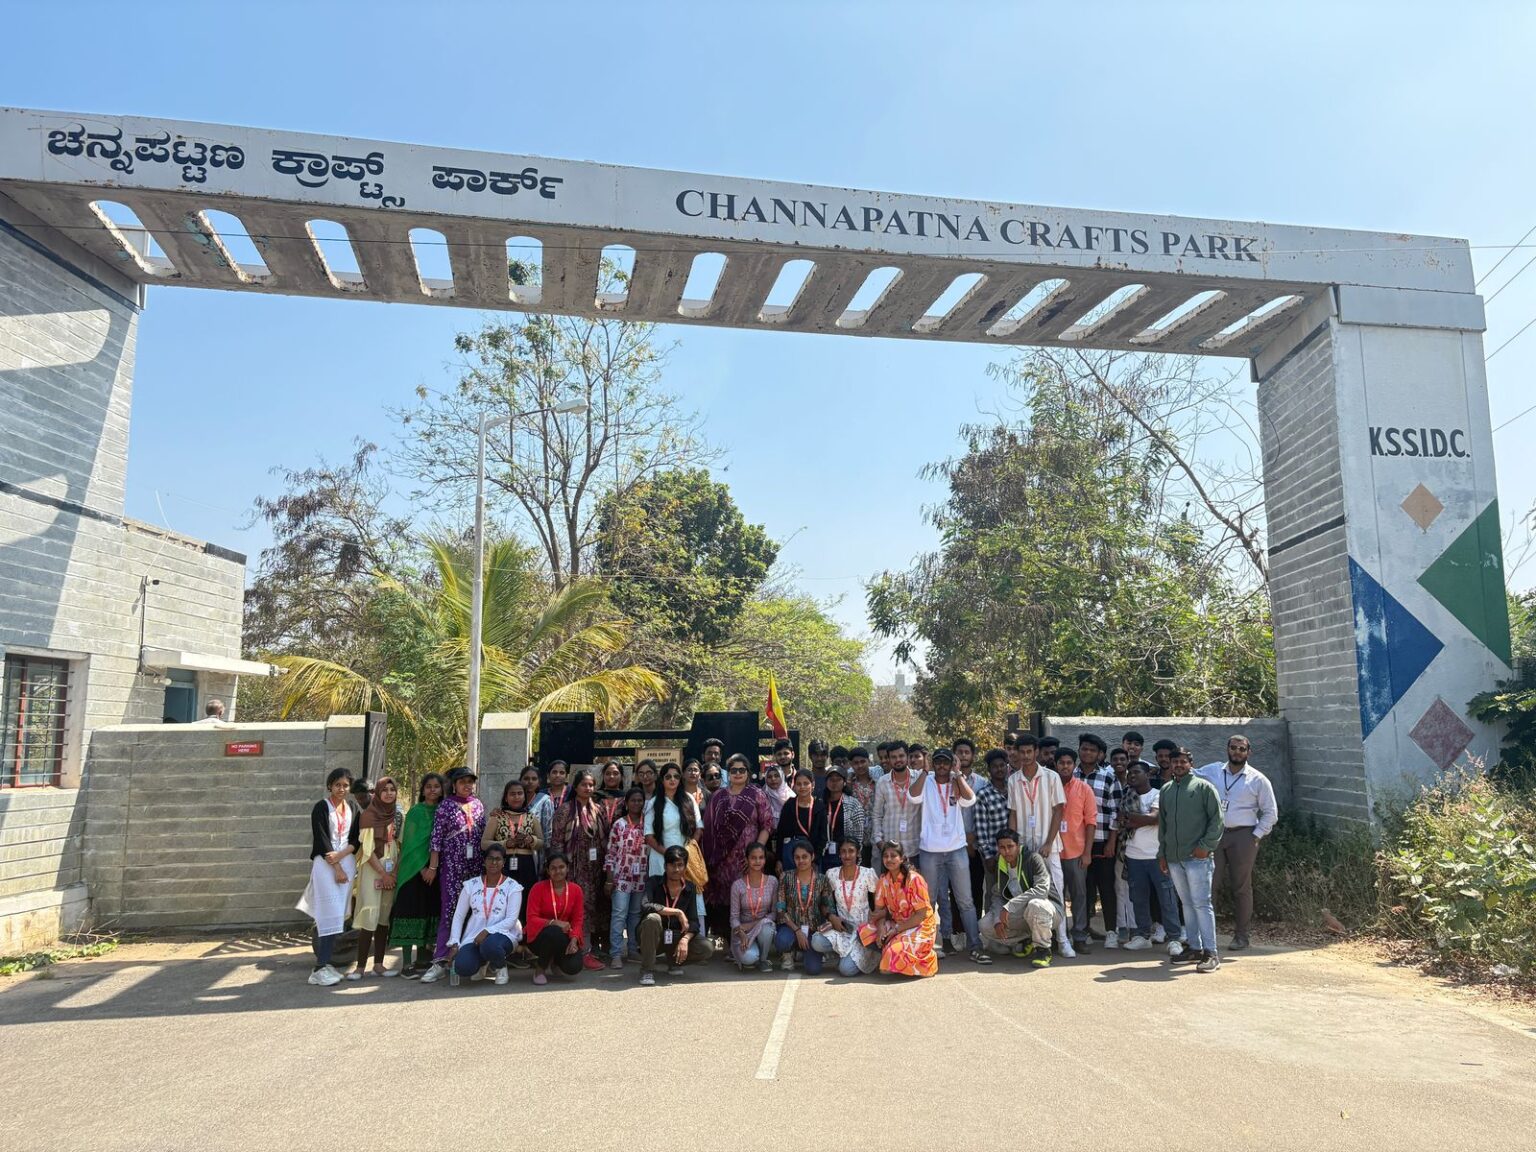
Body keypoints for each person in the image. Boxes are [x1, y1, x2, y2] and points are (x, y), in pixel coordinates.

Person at [1197, 734, 1279, 951]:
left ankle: (1241, 936)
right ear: (1227, 749)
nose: (1237, 752)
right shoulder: (1213, 770)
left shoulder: (1258, 779)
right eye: (1233, 748)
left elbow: (1270, 812)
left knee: (1241, 887)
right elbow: (1190, 773)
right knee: (1209, 884)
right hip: (1215, 834)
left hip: (1243, 836)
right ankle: (1207, 936)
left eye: (1242, 749)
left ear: (1249, 752)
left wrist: (1256, 835)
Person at [908, 748, 989, 964]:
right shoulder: (926, 781)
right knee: (929, 901)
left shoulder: (956, 781)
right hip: (930, 851)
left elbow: (970, 800)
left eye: (946, 762)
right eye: (938, 762)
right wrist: (924, 771)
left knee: (966, 901)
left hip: (956, 849)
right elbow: (913, 797)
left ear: (952, 763)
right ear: (933, 763)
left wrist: (958, 774)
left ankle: (975, 946)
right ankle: (927, 947)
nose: (942, 766)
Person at [1159, 747, 1224, 972]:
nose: (1178, 765)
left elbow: (1217, 820)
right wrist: (1162, 854)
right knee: (1187, 904)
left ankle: (1211, 953)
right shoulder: (1166, 790)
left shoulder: (1204, 787)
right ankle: (1195, 948)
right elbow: (1163, 825)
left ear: (1191, 763)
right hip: (1174, 858)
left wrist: (1205, 847)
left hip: (1197, 858)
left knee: (1202, 904)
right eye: (1174, 761)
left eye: (1182, 761)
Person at [420, 766, 486, 984]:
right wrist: (433, 867)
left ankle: (471, 959)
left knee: (476, 910)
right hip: (452, 867)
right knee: (450, 911)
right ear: (454, 785)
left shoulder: (478, 805)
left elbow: (484, 834)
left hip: (475, 867)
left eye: (470, 781)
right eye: (462, 782)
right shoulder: (446, 806)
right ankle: (440, 960)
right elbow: (436, 839)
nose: (467, 785)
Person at [298, 767, 361, 986]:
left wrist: (342, 857)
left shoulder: (353, 807)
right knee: (328, 913)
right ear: (329, 786)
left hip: (346, 861)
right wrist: (337, 867)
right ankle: (319, 968)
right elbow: (321, 839)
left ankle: (325, 964)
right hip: (326, 866)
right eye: (337, 785)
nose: (341, 789)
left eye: (345, 785)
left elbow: (356, 838)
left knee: (339, 916)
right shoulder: (321, 807)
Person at [702, 753, 773, 941]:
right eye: (734, 770)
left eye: (742, 770)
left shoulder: (756, 794)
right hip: (722, 860)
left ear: (748, 772)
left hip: (748, 859)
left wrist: (757, 853)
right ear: (729, 773)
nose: (738, 773)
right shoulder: (718, 796)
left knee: (746, 897)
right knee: (725, 900)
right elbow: (709, 827)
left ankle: (750, 939)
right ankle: (729, 941)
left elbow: (767, 825)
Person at [549, 767, 610, 971]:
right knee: (571, 908)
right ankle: (565, 950)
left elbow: (605, 839)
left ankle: (585, 950)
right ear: (575, 787)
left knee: (590, 909)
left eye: (591, 784)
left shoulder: (599, 809)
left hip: (593, 870)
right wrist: (559, 869)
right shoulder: (565, 810)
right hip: (571, 868)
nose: (588, 788)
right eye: (584, 784)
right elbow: (556, 841)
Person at [444, 842, 524, 986]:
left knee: (490, 945)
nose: (494, 862)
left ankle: (500, 967)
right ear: (484, 861)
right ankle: (482, 963)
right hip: (474, 937)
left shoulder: (512, 887)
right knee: (462, 967)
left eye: (498, 859)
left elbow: (511, 919)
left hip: (504, 935)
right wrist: (455, 943)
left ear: (504, 862)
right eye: (490, 858)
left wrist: (487, 931)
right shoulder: (471, 885)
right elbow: (459, 916)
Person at [979, 829, 1062, 968]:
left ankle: (1043, 950)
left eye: (1010, 846)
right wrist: (997, 920)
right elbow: (998, 896)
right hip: (1024, 913)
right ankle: (1029, 940)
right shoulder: (1000, 863)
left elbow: (1041, 890)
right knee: (985, 925)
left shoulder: (1034, 859)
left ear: (1018, 846)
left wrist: (1010, 905)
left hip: (1050, 910)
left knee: (1035, 905)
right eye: (1002, 847)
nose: (1006, 851)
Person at [1123, 762, 1183, 953]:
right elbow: (1123, 821)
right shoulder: (1126, 795)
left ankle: (1174, 938)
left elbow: (1156, 818)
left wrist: (1132, 820)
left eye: (1137, 772)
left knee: (1167, 898)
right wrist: (1142, 819)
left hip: (1157, 855)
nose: (1132, 776)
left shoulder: (1159, 794)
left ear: (1148, 774)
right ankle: (1143, 936)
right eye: (1130, 773)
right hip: (1133, 855)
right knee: (1138, 898)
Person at [481, 778, 541, 968]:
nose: (516, 797)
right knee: (505, 907)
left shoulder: (531, 817)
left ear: (525, 796)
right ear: (506, 797)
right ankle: (508, 949)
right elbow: (484, 843)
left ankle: (526, 947)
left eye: (520, 793)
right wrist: (505, 843)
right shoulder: (497, 817)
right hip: (504, 867)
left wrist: (531, 840)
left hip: (526, 866)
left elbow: (542, 842)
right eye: (512, 794)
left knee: (525, 905)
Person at [390, 772, 444, 978]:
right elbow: (410, 845)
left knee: (428, 914)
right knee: (410, 914)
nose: (432, 790)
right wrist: (423, 868)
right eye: (428, 786)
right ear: (423, 790)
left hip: (435, 871)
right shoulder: (415, 812)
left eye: (436, 786)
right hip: (414, 871)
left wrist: (433, 868)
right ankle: (406, 964)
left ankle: (423, 959)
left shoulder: (443, 811)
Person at [348, 775, 403, 979]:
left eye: (392, 790)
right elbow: (367, 850)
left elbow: (402, 845)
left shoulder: (398, 815)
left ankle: (379, 965)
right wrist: (383, 874)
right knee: (369, 916)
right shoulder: (368, 816)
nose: (389, 793)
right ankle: (360, 967)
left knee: (383, 917)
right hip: (373, 870)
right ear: (378, 793)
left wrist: (393, 873)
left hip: (392, 869)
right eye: (384, 790)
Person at [638, 844, 714, 985]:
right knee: (652, 918)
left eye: (680, 865)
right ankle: (647, 970)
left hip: (675, 936)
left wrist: (685, 939)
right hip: (653, 937)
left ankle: (674, 961)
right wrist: (677, 912)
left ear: (685, 867)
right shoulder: (653, 882)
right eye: (672, 865)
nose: (676, 869)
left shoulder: (690, 888)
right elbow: (645, 905)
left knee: (706, 947)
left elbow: (694, 922)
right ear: (665, 866)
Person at [1076, 733, 1122, 949]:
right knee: (1083, 888)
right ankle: (1083, 930)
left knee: (1106, 887)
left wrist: (1112, 841)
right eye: (1084, 748)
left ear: (1100, 754)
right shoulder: (1070, 776)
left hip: (1102, 840)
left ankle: (1111, 931)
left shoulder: (1109, 777)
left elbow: (1116, 812)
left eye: (1092, 750)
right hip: (1076, 842)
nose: (1087, 753)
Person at [871, 841, 938, 978]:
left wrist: (896, 930)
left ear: (902, 858)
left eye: (893, 856)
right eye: (885, 856)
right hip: (896, 924)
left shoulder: (914, 880)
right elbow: (879, 912)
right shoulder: (883, 881)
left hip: (919, 926)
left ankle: (927, 960)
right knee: (865, 931)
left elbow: (921, 915)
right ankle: (891, 950)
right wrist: (881, 929)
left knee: (886, 968)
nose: (889, 859)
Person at [813, 839, 879, 976]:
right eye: (843, 851)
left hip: (862, 932)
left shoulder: (868, 874)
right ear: (839, 854)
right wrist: (832, 917)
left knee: (845, 970)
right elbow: (824, 903)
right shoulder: (832, 874)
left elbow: (878, 903)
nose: (847, 855)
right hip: (842, 928)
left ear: (858, 853)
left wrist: (874, 925)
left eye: (851, 851)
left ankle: (854, 956)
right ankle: (842, 954)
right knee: (816, 941)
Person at [524, 852, 587, 985]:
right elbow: (531, 918)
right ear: (548, 871)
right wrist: (553, 922)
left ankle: (554, 961)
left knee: (574, 967)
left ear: (567, 868)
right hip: (539, 937)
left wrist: (574, 940)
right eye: (553, 868)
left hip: (564, 936)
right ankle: (540, 969)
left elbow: (578, 920)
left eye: (561, 867)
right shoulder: (538, 888)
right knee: (553, 931)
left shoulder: (576, 890)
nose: (558, 871)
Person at [1055, 749, 1095, 955]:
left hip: (1076, 852)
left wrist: (1087, 853)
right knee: (1055, 897)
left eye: (1069, 763)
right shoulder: (1049, 787)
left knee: (1079, 895)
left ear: (1074, 765)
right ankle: (1058, 937)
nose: (1065, 766)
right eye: (1061, 762)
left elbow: (1091, 823)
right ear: (1055, 765)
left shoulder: (1084, 789)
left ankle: (1079, 936)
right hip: (1053, 852)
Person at [604, 786, 650, 966]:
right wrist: (609, 880)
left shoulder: (648, 824)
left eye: (639, 800)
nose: (636, 803)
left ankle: (632, 950)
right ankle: (615, 953)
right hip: (621, 878)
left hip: (641, 878)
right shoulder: (619, 824)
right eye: (633, 800)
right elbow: (610, 853)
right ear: (626, 803)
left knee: (635, 915)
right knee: (619, 914)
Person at [775, 838, 833, 973]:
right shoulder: (785, 877)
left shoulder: (822, 880)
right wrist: (797, 931)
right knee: (782, 940)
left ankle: (803, 952)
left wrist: (828, 922)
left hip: (813, 929)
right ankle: (787, 953)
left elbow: (828, 907)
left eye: (804, 857)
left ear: (812, 857)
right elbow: (780, 910)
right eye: (797, 857)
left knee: (813, 970)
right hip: (791, 927)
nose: (801, 861)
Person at [729, 841, 779, 971]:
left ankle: (763, 960)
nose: (757, 861)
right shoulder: (737, 885)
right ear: (746, 859)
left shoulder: (772, 882)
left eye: (761, 857)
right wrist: (740, 932)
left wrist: (754, 924)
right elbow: (734, 917)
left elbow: (774, 913)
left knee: (767, 928)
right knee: (749, 958)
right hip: (743, 931)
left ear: (765, 860)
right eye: (753, 858)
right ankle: (751, 954)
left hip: (763, 927)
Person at [644, 763, 699, 876]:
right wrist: (669, 854)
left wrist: (688, 850)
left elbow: (699, 828)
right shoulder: (653, 803)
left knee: (686, 886)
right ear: (662, 780)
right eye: (668, 777)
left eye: (676, 776)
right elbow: (649, 836)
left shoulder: (689, 799)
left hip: (685, 857)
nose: (672, 779)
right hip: (660, 857)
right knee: (661, 886)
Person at [871, 740, 920, 864]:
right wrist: (879, 841)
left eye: (901, 756)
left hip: (915, 849)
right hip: (890, 851)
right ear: (889, 759)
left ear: (907, 756)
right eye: (893, 757)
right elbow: (877, 815)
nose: (898, 760)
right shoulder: (882, 782)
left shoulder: (919, 778)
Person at [776, 769, 828, 872]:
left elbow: (823, 837)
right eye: (799, 784)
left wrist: (815, 860)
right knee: (791, 881)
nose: (802, 787)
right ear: (794, 786)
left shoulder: (819, 807)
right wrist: (779, 859)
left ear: (812, 784)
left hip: (811, 855)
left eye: (806, 783)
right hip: (790, 853)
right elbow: (780, 833)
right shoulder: (789, 805)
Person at [821, 765, 866, 871]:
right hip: (824, 853)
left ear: (844, 782)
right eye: (831, 780)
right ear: (826, 782)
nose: (834, 783)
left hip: (845, 854)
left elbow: (859, 835)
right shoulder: (820, 803)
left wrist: (856, 855)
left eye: (838, 779)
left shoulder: (853, 804)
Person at [522, 765, 556, 858]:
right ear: (520, 780)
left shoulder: (544, 801)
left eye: (534, 779)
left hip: (537, 853)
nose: (530, 782)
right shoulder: (516, 800)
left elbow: (548, 833)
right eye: (526, 778)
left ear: (538, 783)